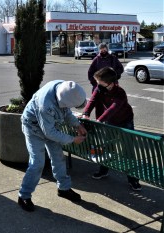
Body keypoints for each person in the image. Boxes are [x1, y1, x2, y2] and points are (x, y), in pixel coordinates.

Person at [18, 80, 88, 212]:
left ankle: (63, 189)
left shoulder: (64, 88)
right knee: (37, 163)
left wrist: (77, 125)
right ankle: (24, 196)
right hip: (33, 129)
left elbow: (66, 112)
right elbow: (49, 133)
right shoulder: (45, 105)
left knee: (58, 158)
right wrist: (73, 139)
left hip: (50, 126)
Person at [82, 67, 142, 191]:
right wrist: (86, 113)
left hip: (125, 121)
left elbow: (113, 108)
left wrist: (100, 119)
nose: (97, 84)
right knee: (108, 147)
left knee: (128, 151)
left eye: (99, 81)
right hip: (110, 121)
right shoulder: (100, 88)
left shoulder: (120, 92)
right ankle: (103, 171)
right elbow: (92, 100)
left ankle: (133, 179)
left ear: (109, 83)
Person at [88, 43, 124, 118]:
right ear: (99, 50)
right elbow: (90, 72)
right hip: (100, 86)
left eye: (104, 50)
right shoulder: (96, 60)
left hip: (111, 86)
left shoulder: (113, 58)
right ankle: (99, 121)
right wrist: (95, 83)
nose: (103, 51)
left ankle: (111, 122)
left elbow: (121, 68)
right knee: (99, 106)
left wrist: (114, 75)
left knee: (112, 106)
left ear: (107, 49)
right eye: (101, 50)